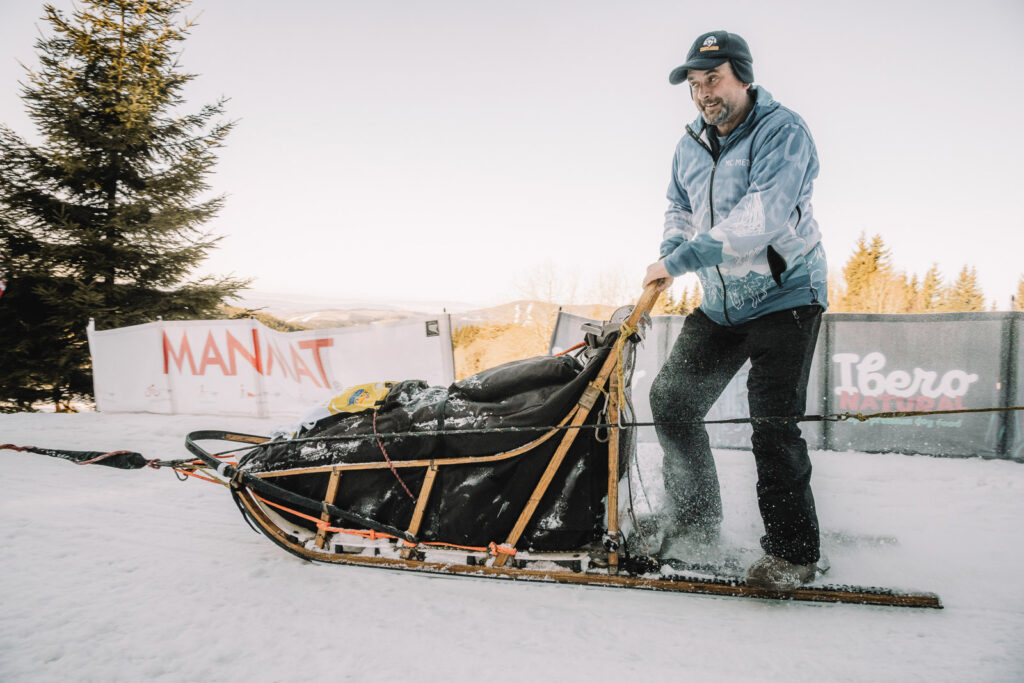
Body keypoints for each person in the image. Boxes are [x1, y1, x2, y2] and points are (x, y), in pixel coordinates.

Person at [641, 30, 829, 591]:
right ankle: (695, 518)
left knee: (772, 427)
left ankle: (793, 555)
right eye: (696, 85)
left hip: (785, 297)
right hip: (722, 305)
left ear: (743, 76)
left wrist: (683, 261)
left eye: (714, 80)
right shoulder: (689, 146)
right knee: (672, 400)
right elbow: (678, 206)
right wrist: (672, 251)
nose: (704, 94)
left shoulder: (783, 131)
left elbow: (760, 219)